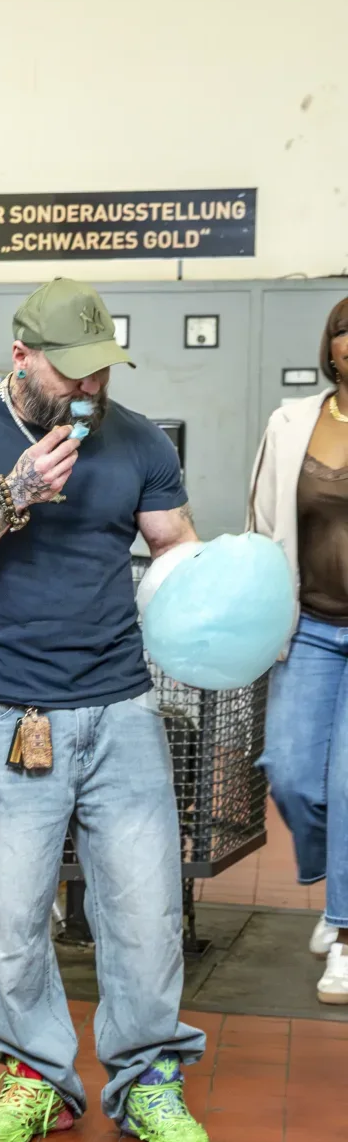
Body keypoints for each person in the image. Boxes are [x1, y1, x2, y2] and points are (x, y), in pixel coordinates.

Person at [0, 277, 209, 1142]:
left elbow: (176, 547)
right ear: (21, 356)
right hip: (6, 715)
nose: (89, 390)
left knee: (146, 911)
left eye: (100, 371)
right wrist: (13, 493)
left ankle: (149, 1077)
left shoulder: (137, 440)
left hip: (123, 709)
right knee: (12, 913)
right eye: (71, 373)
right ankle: (36, 1078)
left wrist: (217, 600)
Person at [249, 295, 348, 1003]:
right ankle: (330, 878)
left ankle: (342, 931)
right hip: (309, 626)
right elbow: (260, 522)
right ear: (331, 345)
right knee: (290, 774)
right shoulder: (292, 423)